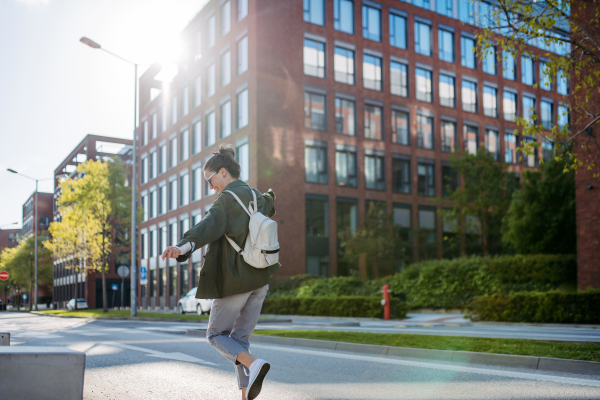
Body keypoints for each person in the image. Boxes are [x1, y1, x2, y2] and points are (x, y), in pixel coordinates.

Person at [161, 144, 280, 400]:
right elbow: (269, 203)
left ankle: (256, 364)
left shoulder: (225, 201)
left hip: (237, 281)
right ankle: (245, 392)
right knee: (238, 341)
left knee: (215, 335)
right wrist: (269, 196)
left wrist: (181, 247)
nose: (210, 186)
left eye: (210, 179)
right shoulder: (252, 193)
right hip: (261, 279)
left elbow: (207, 226)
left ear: (223, 172)